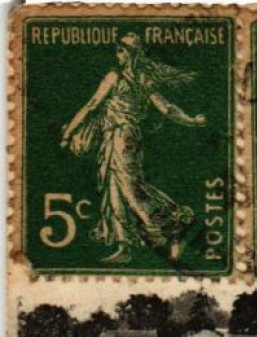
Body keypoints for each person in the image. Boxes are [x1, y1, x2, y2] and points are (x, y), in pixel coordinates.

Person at [60, 33, 207, 265]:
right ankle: (125, 246)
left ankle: (173, 228)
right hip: (118, 137)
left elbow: (91, 106)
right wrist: (191, 120)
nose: (117, 54)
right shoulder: (143, 79)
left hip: (122, 136)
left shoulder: (116, 77)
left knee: (129, 189)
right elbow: (167, 108)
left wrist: (69, 132)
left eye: (121, 50)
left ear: (130, 54)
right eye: (117, 50)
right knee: (115, 189)